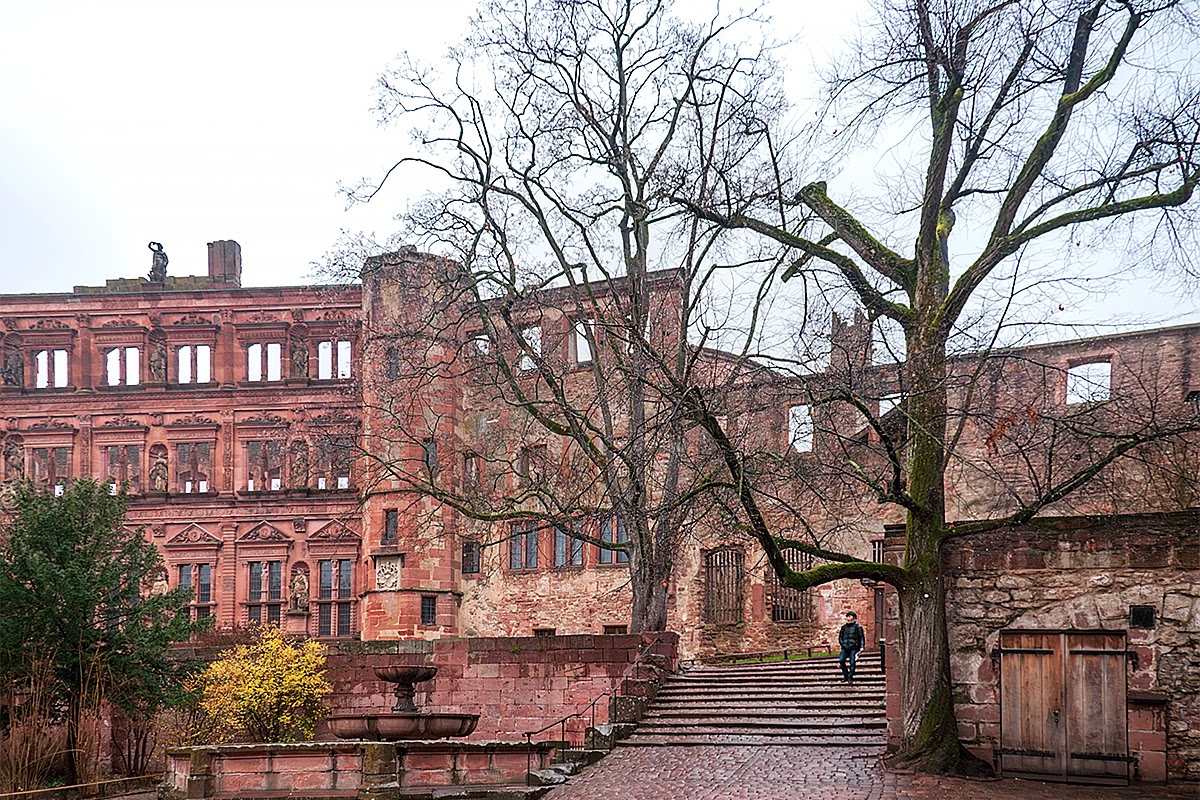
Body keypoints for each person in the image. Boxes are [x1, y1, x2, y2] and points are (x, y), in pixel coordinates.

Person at [838, 610, 865, 684]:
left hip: (854, 647)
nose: (848, 618)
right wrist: (843, 644)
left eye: (850, 616)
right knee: (841, 660)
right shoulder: (844, 627)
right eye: (847, 616)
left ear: (853, 618)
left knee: (852, 662)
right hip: (845, 647)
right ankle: (845, 675)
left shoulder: (858, 627)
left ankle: (850, 677)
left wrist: (862, 647)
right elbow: (840, 637)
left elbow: (861, 637)